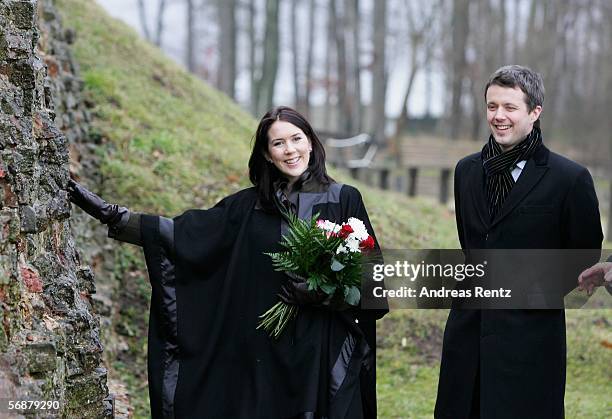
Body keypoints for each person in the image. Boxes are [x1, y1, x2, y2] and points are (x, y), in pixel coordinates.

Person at [68, 106, 387, 419]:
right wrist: (113, 215)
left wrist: (322, 293)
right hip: (264, 358)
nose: (290, 150)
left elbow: (374, 284)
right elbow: (182, 236)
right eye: (278, 143)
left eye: (296, 139)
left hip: (324, 356)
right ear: (266, 154)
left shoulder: (345, 199)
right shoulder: (248, 207)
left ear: (311, 143)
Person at [435, 65, 603, 418]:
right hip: (467, 333)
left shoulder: (569, 179)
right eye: (492, 106)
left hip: (531, 340)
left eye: (510, 107)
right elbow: (472, 244)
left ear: (535, 111)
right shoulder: (466, 170)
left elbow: (583, 257)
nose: (499, 116)